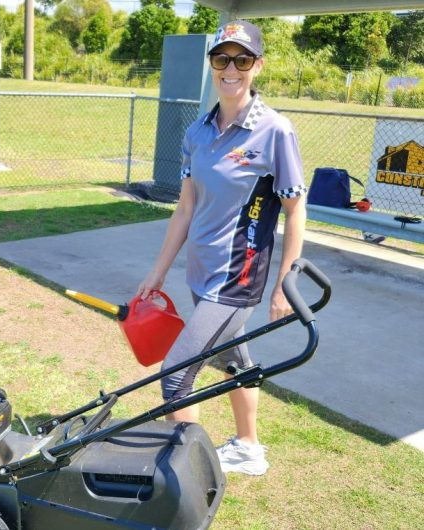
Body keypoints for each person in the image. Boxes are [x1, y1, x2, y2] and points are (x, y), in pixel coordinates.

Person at [137, 20, 307, 476]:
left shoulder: (275, 131)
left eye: (242, 60)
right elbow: (185, 208)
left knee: (176, 374)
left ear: (257, 66)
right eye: (222, 58)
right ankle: (249, 449)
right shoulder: (198, 131)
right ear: (211, 63)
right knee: (235, 362)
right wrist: (157, 272)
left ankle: (191, 473)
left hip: (238, 277)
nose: (231, 69)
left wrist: (284, 286)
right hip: (201, 271)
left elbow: (295, 212)